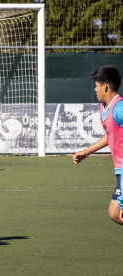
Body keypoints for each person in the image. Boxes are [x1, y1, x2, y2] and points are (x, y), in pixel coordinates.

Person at [73, 65, 123, 225]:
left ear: (105, 86)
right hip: (119, 170)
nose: (95, 89)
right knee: (115, 214)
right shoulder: (104, 109)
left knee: (116, 213)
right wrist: (86, 152)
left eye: (96, 85)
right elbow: (110, 135)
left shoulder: (119, 108)